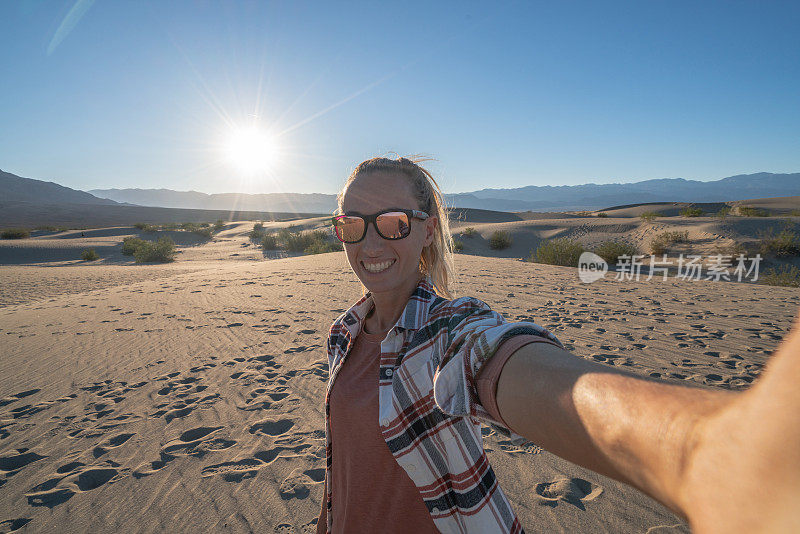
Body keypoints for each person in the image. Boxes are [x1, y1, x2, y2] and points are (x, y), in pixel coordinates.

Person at [317, 156, 800, 534]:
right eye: (353, 224)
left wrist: (700, 451)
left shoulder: (447, 330)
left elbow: (501, 360)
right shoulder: (346, 334)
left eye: (393, 222)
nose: (370, 242)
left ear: (425, 231)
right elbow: (344, 472)